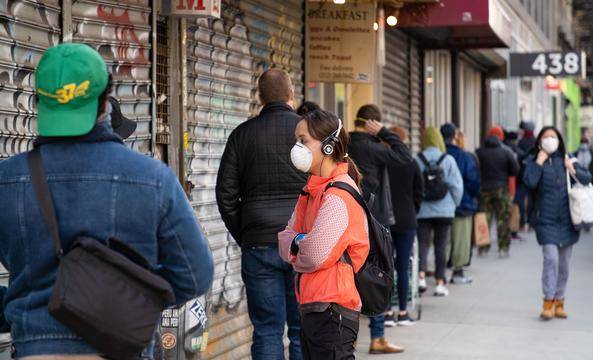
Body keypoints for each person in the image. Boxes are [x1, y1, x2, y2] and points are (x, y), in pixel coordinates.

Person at [0, 43, 214, 359]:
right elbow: (196, 275)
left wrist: (17, 302)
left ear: (40, 100)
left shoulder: (7, 178)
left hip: (34, 347)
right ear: (105, 102)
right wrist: (132, 304)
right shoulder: (153, 178)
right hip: (123, 348)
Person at [216, 69, 307, 359]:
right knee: (302, 329)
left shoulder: (242, 134)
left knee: (267, 329)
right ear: (292, 95)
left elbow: (226, 194)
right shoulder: (309, 136)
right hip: (302, 243)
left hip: (259, 243)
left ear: (260, 97)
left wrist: (246, 232)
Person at [279, 110, 369, 360]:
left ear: (328, 146)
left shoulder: (338, 196)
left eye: (304, 140)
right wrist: (299, 242)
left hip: (332, 308)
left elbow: (315, 254)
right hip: (314, 304)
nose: (297, 147)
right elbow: (284, 238)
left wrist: (298, 243)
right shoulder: (312, 190)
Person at [347, 104, 411, 354]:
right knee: (378, 276)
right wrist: (385, 133)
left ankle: (349, 339)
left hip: (350, 218)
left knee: (349, 277)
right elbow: (405, 156)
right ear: (373, 124)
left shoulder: (346, 145)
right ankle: (377, 337)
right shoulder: (374, 148)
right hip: (375, 222)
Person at [523, 126, 591, 321]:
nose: (550, 140)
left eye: (553, 137)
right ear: (539, 141)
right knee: (551, 259)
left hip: (568, 220)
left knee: (564, 265)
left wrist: (572, 168)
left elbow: (587, 179)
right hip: (546, 220)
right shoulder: (534, 160)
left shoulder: (567, 159)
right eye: (546, 137)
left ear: (559, 140)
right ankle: (548, 302)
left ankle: (560, 301)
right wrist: (538, 162)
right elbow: (529, 182)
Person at [416, 127, 463, 297]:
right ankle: (440, 283)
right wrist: (453, 205)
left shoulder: (417, 159)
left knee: (422, 244)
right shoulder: (448, 159)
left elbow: (413, 186)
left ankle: (421, 278)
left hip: (422, 211)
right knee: (441, 246)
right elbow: (457, 187)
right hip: (445, 211)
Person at [385, 126, 423, 326]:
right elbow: (419, 192)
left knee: (386, 266)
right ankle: (402, 312)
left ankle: (387, 312)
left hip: (385, 221)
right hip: (407, 220)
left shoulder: (383, 162)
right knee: (403, 266)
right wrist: (412, 210)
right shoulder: (412, 162)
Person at [441, 124, 480, 284]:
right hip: (462, 205)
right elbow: (473, 182)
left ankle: (440, 273)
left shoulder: (439, 155)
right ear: (455, 136)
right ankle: (457, 272)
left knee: (443, 241)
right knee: (461, 240)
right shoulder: (464, 157)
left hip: (439, 206)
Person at [476, 126, 520, 257]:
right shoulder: (506, 152)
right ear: (500, 137)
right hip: (502, 189)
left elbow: (475, 169)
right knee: (503, 219)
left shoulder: (479, 152)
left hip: (484, 190)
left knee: (484, 219)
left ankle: (483, 248)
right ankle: (503, 248)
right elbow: (515, 170)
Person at [515, 121, 537, 231]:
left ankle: (522, 223)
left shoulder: (520, 142)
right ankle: (531, 223)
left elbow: (518, 159)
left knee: (520, 200)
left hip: (522, 175)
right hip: (533, 175)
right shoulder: (536, 141)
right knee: (532, 200)